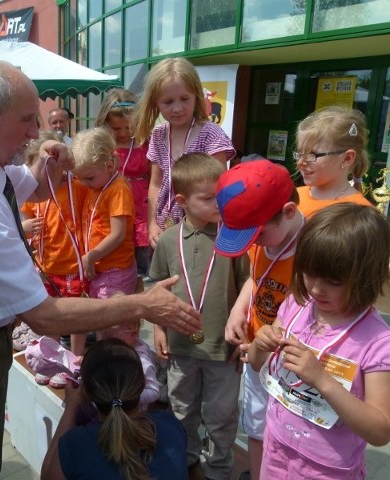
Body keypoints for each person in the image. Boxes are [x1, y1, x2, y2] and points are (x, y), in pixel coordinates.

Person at [0, 60, 202, 480]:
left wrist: (42, 167)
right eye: (27, 120)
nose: (36, 132)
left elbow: (16, 182)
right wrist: (143, 305)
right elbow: (45, 315)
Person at [245, 203, 390, 479]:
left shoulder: (380, 343)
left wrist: (322, 380)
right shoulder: (296, 306)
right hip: (276, 447)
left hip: (326, 469)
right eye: (308, 273)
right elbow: (259, 364)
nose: (316, 289)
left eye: (333, 281)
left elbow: (381, 430)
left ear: (366, 276)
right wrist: (259, 345)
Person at [149, 153, 249, 480]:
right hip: (180, 347)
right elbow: (156, 288)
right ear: (182, 201)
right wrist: (158, 329)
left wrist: (246, 333)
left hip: (223, 348)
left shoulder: (234, 238)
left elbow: (250, 286)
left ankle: (219, 468)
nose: (219, 204)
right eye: (209, 198)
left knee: (221, 414)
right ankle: (187, 457)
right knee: (181, 409)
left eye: (222, 196)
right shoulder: (167, 239)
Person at [213, 159, 304, 480]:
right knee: (255, 422)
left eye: (256, 234)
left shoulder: (312, 252)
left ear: (289, 212)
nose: (252, 243)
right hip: (255, 352)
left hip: (290, 364)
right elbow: (256, 277)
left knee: (287, 431)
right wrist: (239, 308)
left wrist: (261, 348)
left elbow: (307, 314)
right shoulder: (265, 236)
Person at [41, 338, 188, 480]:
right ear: (143, 384)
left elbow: (47, 476)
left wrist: (71, 408)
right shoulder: (170, 425)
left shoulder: (75, 445)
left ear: (86, 392)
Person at [133, 57, 236, 249]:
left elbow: (220, 186)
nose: (177, 108)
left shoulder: (210, 133)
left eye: (184, 99)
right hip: (165, 230)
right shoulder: (158, 134)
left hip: (203, 229)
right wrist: (152, 224)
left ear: (197, 95)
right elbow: (155, 184)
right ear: (155, 103)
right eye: (168, 102)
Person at [20, 129, 90, 355]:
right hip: (47, 266)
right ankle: (53, 356)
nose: (44, 175)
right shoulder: (31, 194)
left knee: (76, 315)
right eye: (38, 170)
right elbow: (25, 226)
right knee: (52, 317)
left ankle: (77, 357)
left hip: (72, 265)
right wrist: (26, 228)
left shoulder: (77, 187)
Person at [72, 127, 137, 299]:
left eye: (89, 178)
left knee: (114, 321)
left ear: (109, 166)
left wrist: (92, 257)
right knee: (102, 319)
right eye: (79, 178)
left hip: (115, 269)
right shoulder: (97, 185)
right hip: (100, 266)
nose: (84, 184)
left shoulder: (117, 189)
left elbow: (118, 234)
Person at [96, 88, 152, 279]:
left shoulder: (145, 143)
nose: (123, 133)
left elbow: (154, 177)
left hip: (142, 204)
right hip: (113, 203)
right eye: (116, 128)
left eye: (128, 127)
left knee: (143, 255)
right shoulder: (103, 146)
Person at [294, 106, 372, 217]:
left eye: (312, 154)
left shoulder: (360, 216)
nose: (300, 162)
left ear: (347, 158)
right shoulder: (294, 196)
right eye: (300, 153)